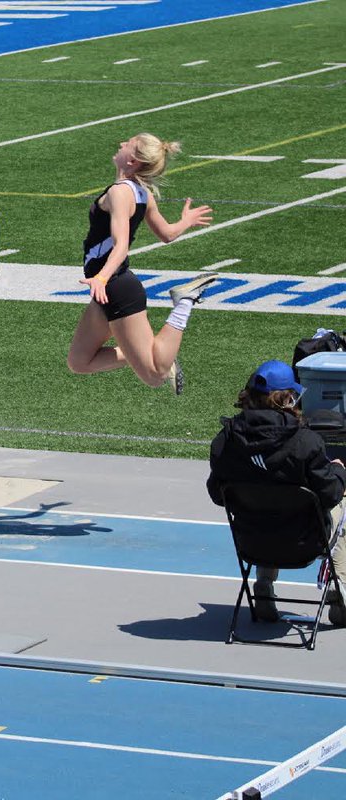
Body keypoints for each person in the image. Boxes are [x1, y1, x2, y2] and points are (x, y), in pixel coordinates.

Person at [66, 133, 218, 394]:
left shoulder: (119, 193)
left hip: (117, 288)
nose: (121, 142)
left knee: (156, 374)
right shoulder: (142, 194)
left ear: (133, 160)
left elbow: (121, 244)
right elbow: (167, 234)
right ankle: (142, 353)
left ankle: (184, 302)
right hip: (109, 289)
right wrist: (186, 221)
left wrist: (101, 277)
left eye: (128, 143)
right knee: (79, 362)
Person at [207, 360, 346, 625]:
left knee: (268, 507)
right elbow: (330, 494)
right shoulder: (305, 443)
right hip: (305, 543)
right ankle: (342, 596)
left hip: (251, 542)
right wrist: (339, 471)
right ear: (289, 398)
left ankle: (263, 586)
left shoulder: (225, 441)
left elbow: (217, 494)